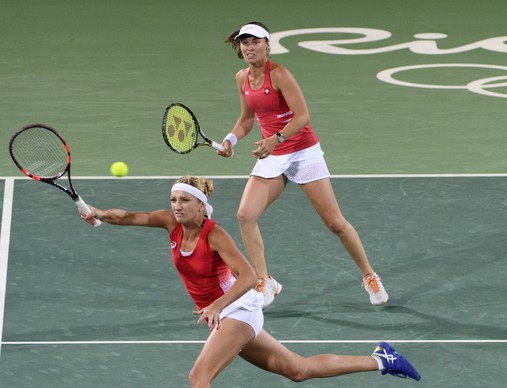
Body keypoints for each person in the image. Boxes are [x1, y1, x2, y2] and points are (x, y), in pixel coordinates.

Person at [79, 176, 421, 387]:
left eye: (185, 200)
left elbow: (250, 277)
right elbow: (127, 216)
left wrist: (216, 305)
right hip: (226, 316)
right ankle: (382, 359)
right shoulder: (171, 224)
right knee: (298, 370)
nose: (177, 206)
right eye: (173, 200)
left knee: (199, 379)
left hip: (237, 310)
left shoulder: (216, 235)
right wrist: (100, 213)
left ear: (202, 206)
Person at [219, 22, 389, 308]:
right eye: (244, 43)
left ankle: (369, 275)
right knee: (245, 216)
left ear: (267, 45)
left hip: (302, 151)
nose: (249, 47)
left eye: (255, 42)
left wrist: (276, 138)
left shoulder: (280, 74)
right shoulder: (242, 78)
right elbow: (247, 119)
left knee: (335, 222)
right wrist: (230, 140)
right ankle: (265, 281)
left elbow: (303, 117)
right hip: (272, 154)